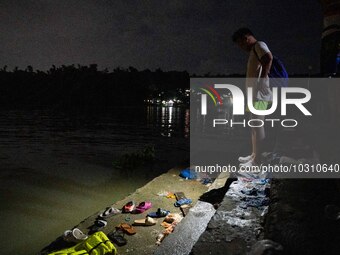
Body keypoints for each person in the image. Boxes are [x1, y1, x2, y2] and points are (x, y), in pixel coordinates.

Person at [232, 27, 273, 167]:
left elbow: (268, 58)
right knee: (253, 124)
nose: (240, 47)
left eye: (240, 43)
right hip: (253, 95)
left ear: (246, 38)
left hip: (260, 95)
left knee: (257, 124)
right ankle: (254, 155)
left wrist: (262, 80)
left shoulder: (259, 45)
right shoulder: (254, 50)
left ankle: (258, 160)